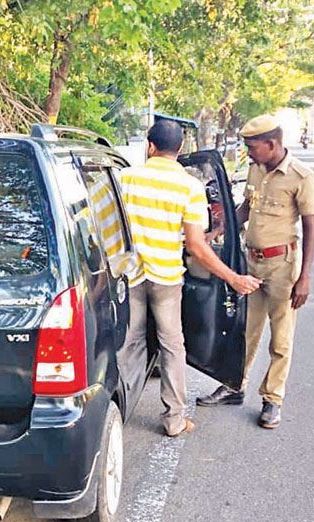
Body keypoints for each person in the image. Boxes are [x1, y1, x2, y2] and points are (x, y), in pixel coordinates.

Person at [119, 120, 261, 438]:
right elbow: (196, 246)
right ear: (180, 149)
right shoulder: (189, 187)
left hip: (130, 276)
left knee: (130, 343)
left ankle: (118, 412)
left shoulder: (125, 178)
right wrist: (232, 278)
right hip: (167, 278)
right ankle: (174, 420)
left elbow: (104, 228)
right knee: (172, 346)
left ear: (149, 146)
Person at [197, 115, 314, 430]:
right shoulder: (256, 169)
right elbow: (246, 209)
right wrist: (218, 231)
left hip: (282, 267)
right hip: (251, 264)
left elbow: (310, 228)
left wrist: (304, 277)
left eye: (252, 147)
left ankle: (272, 400)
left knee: (281, 339)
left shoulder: (300, 177)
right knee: (243, 331)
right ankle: (234, 386)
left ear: (272, 144)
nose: (248, 153)